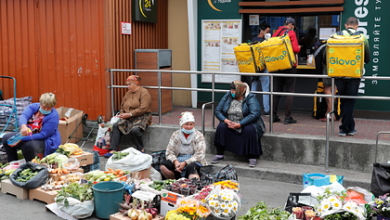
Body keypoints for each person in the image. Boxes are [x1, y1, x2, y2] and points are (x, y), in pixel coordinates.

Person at [211, 81, 265, 167]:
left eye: (234, 90)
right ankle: (219, 154)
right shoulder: (228, 95)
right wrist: (225, 120)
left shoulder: (250, 97)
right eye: (231, 90)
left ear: (241, 91)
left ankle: (252, 157)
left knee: (249, 130)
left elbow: (255, 114)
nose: (232, 92)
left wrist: (240, 124)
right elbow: (218, 111)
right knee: (221, 127)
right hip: (230, 121)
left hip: (246, 122)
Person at [334, 17, 370, 136]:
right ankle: (344, 128)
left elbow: (326, 54)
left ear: (345, 25)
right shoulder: (362, 37)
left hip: (339, 74)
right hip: (354, 75)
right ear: (356, 26)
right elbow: (367, 59)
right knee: (350, 102)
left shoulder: (336, 35)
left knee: (344, 101)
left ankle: (350, 127)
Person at [3, 93, 61, 162]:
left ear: (53, 106)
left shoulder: (53, 116)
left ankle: (32, 166)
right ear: (40, 103)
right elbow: (24, 116)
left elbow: (43, 135)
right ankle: (13, 163)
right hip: (30, 134)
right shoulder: (33, 107)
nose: (45, 109)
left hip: (46, 140)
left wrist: (21, 138)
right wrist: (23, 126)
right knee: (6, 139)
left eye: (49, 107)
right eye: (44, 106)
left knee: (28, 146)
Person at [105, 75, 152, 157]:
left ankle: (141, 149)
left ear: (136, 84)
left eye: (130, 84)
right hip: (128, 116)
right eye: (127, 84)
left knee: (135, 130)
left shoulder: (144, 92)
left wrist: (130, 114)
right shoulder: (128, 93)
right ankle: (113, 150)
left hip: (142, 116)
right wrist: (122, 114)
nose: (128, 86)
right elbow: (122, 105)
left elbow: (143, 108)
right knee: (116, 125)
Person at [160, 112, 207, 180]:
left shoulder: (198, 135)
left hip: (194, 161)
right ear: (181, 124)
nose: (189, 127)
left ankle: (193, 186)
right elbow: (169, 152)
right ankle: (175, 182)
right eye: (186, 124)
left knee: (191, 167)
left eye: (191, 124)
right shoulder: (175, 135)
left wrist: (185, 163)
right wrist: (176, 162)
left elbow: (200, 154)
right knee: (164, 165)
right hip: (178, 160)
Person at [272, 17, 300, 124]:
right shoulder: (291, 33)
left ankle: (273, 115)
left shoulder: (275, 33)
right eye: (293, 27)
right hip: (289, 66)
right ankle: (287, 117)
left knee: (276, 91)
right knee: (289, 91)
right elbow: (295, 49)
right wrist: (299, 49)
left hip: (278, 65)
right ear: (291, 25)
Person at [314, 40, 338, 122]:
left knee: (327, 89)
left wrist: (320, 77)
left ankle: (331, 114)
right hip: (336, 69)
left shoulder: (319, 48)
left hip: (327, 70)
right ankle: (330, 112)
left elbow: (318, 65)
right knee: (333, 88)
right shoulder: (333, 45)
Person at [251, 23, 271, 116]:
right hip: (264, 68)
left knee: (253, 90)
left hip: (254, 69)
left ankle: (252, 109)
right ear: (262, 31)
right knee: (266, 91)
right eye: (267, 32)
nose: (268, 33)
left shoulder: (252, 41)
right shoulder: (265, 42)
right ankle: (266, 111)